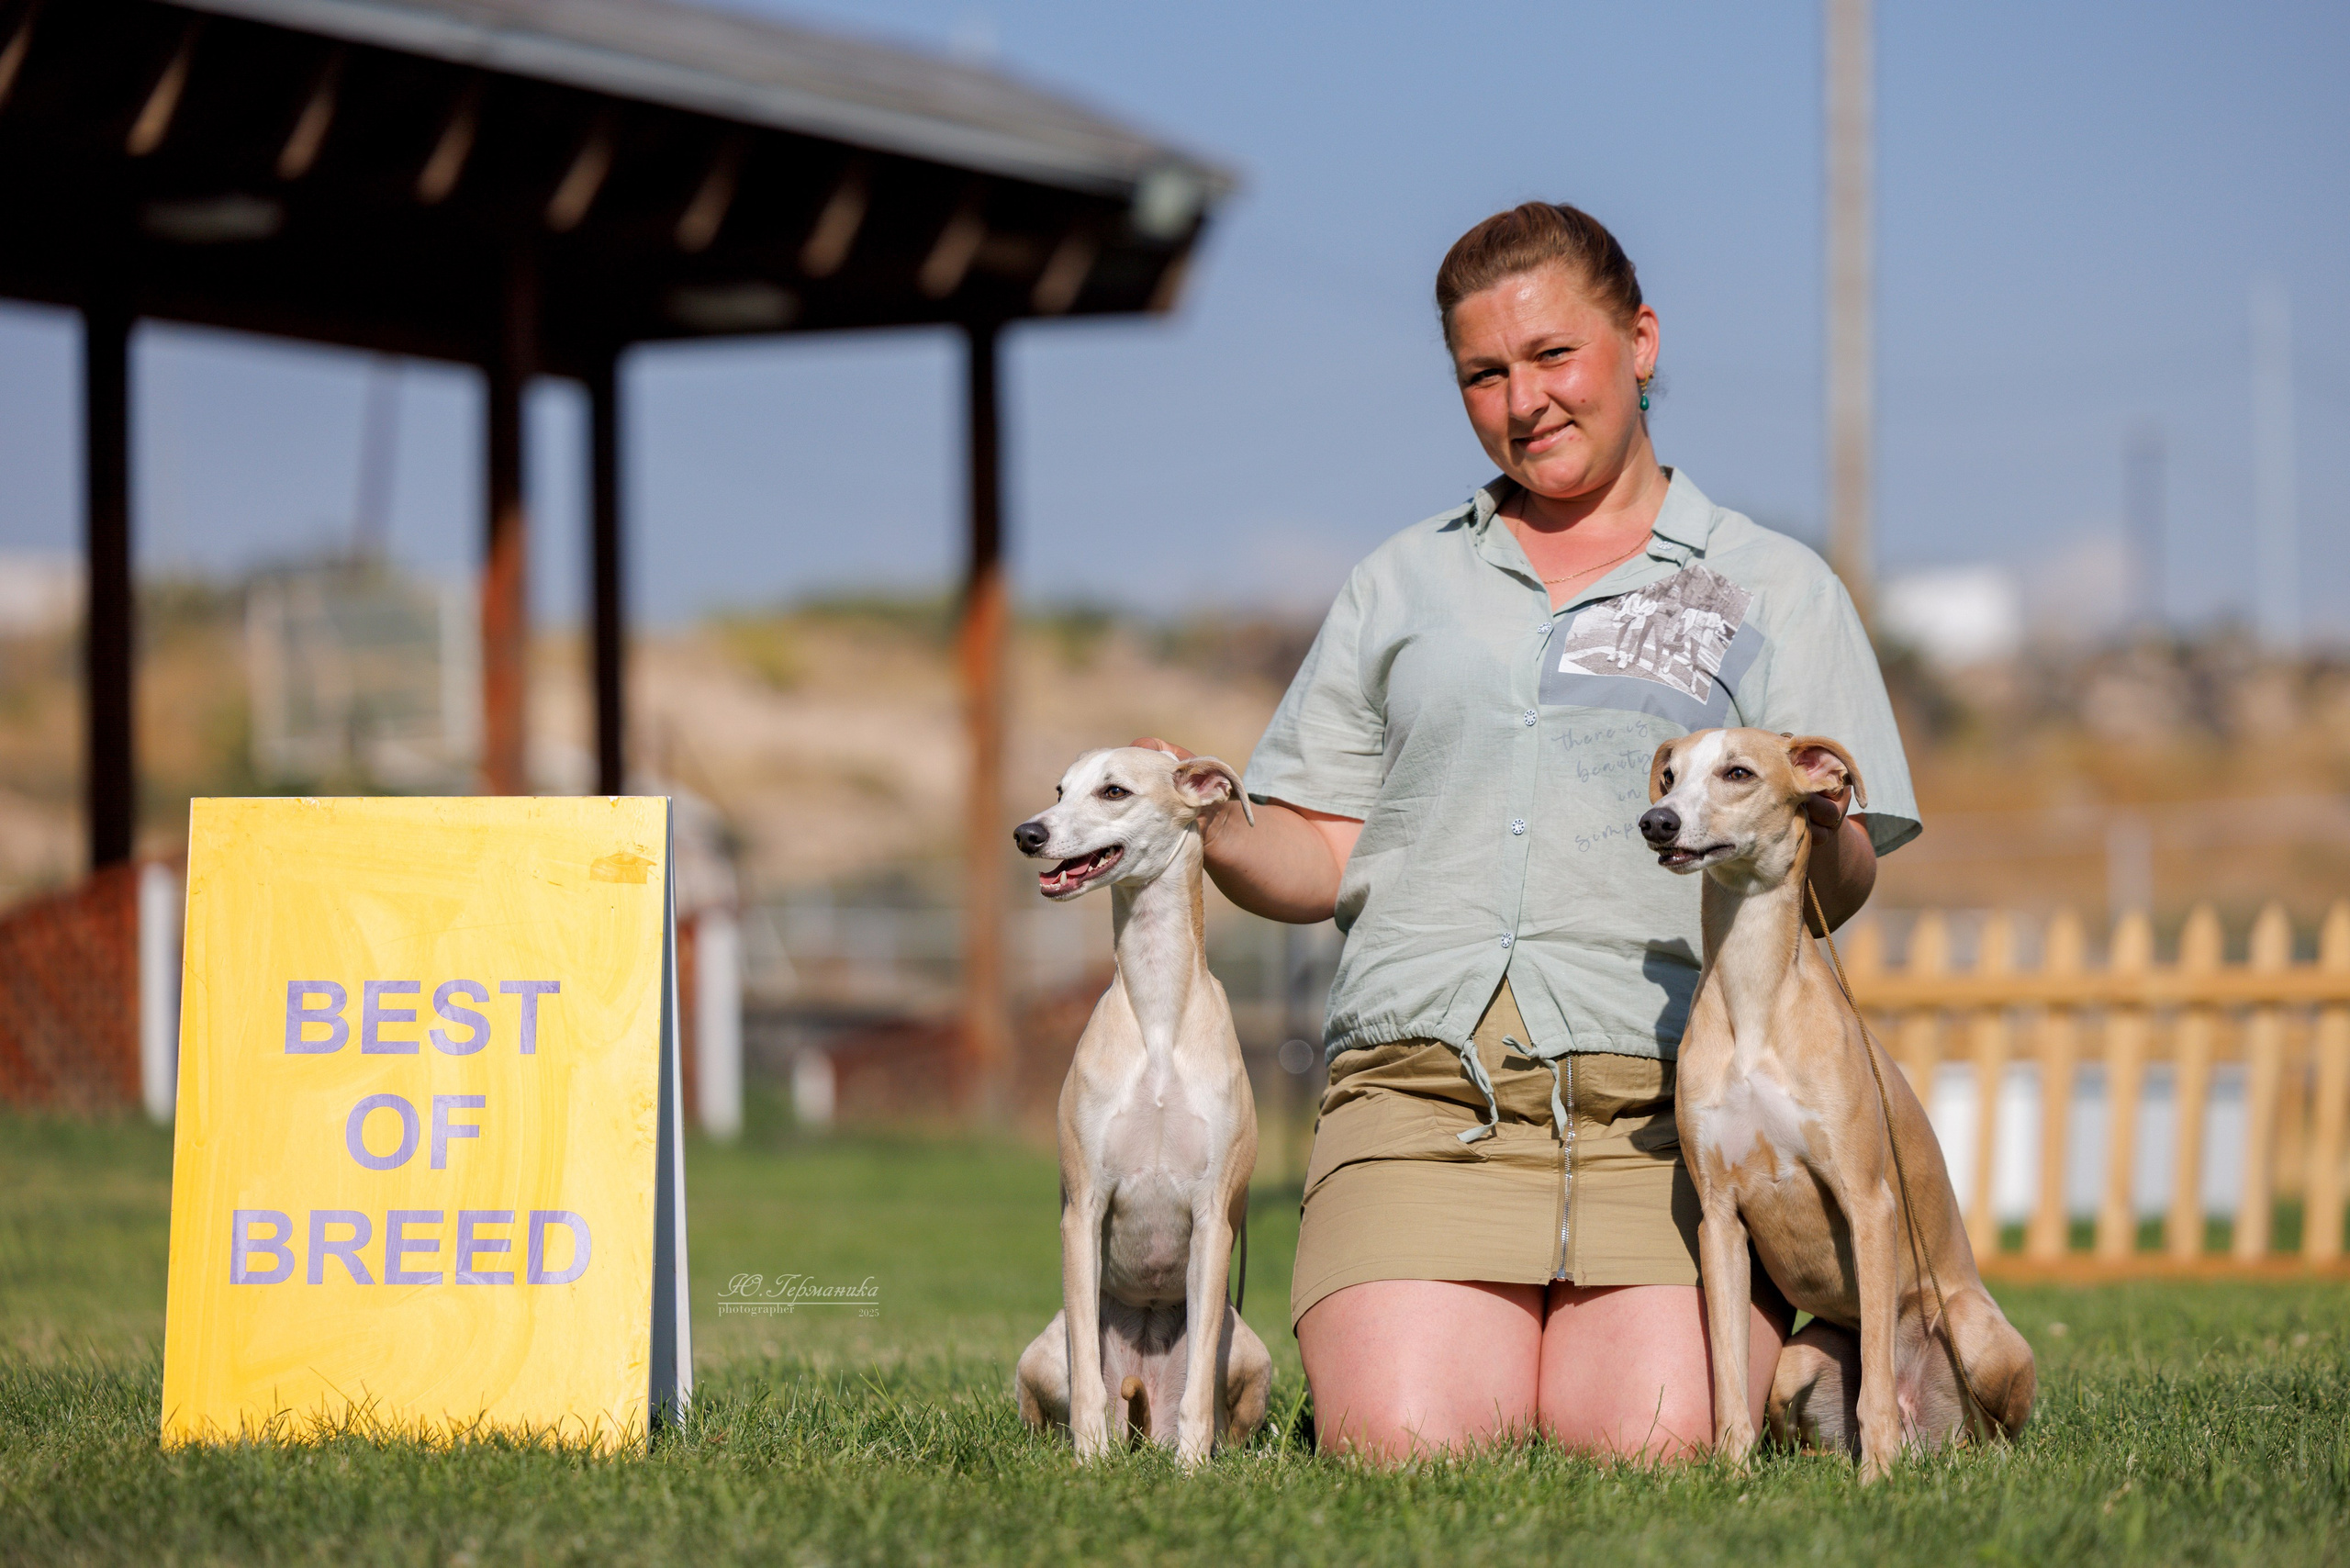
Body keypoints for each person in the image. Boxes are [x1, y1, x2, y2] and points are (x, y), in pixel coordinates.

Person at [1135, 201, 1919, 1462]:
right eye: (1484, 374)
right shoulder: (1401, 583)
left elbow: (1855, 867)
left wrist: (1808, 826)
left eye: (1554, 356)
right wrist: (1214, 823)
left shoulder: (1771, 582)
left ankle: (1811, 1338)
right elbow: (1323, 851)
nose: (1524, 401)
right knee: (1406, 1439)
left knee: (1652, 1441)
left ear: (1642, 342)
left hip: (1665, 1112)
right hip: (1423, 1092)